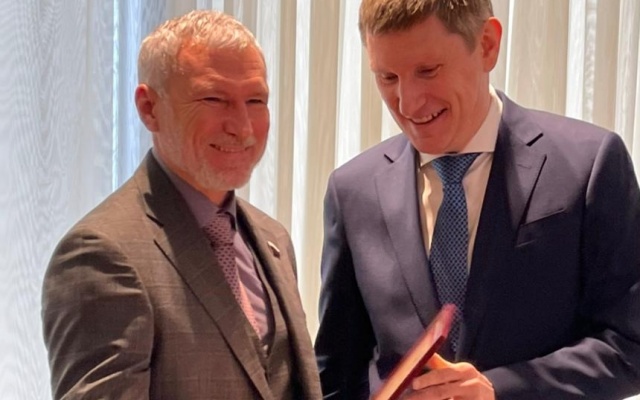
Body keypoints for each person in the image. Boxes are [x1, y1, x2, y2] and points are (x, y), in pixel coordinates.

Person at [314, 0, 640, 399]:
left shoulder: (589, 164)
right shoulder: (352, 191)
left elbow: (630, 346)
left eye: (428, 71)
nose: (407, 102)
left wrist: (499, 390)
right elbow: (337, 374)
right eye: (387, 77)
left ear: (487, 44)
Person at [42, 10, 321, 400]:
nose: (242, 127)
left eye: (256, 100)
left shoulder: (272, 238)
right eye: (214, 99)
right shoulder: (102, 255)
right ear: (149, 108)